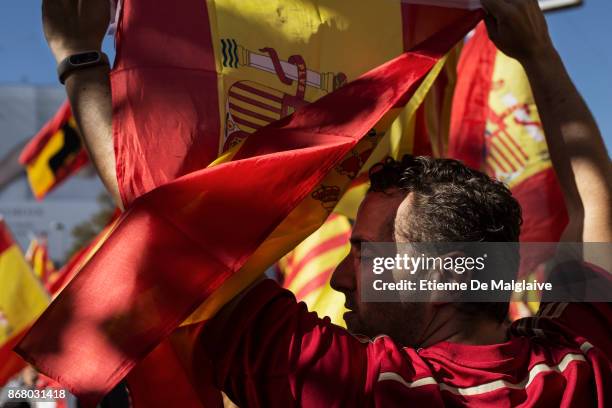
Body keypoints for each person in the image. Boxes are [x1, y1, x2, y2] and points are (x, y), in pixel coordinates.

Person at [42, 0, 611, 406]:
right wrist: (538, 53)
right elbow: (593, 206)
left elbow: (172, 236)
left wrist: (80, 58)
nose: (340, 277)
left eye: (363, 253)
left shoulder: (360, 386)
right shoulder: (582, 363)